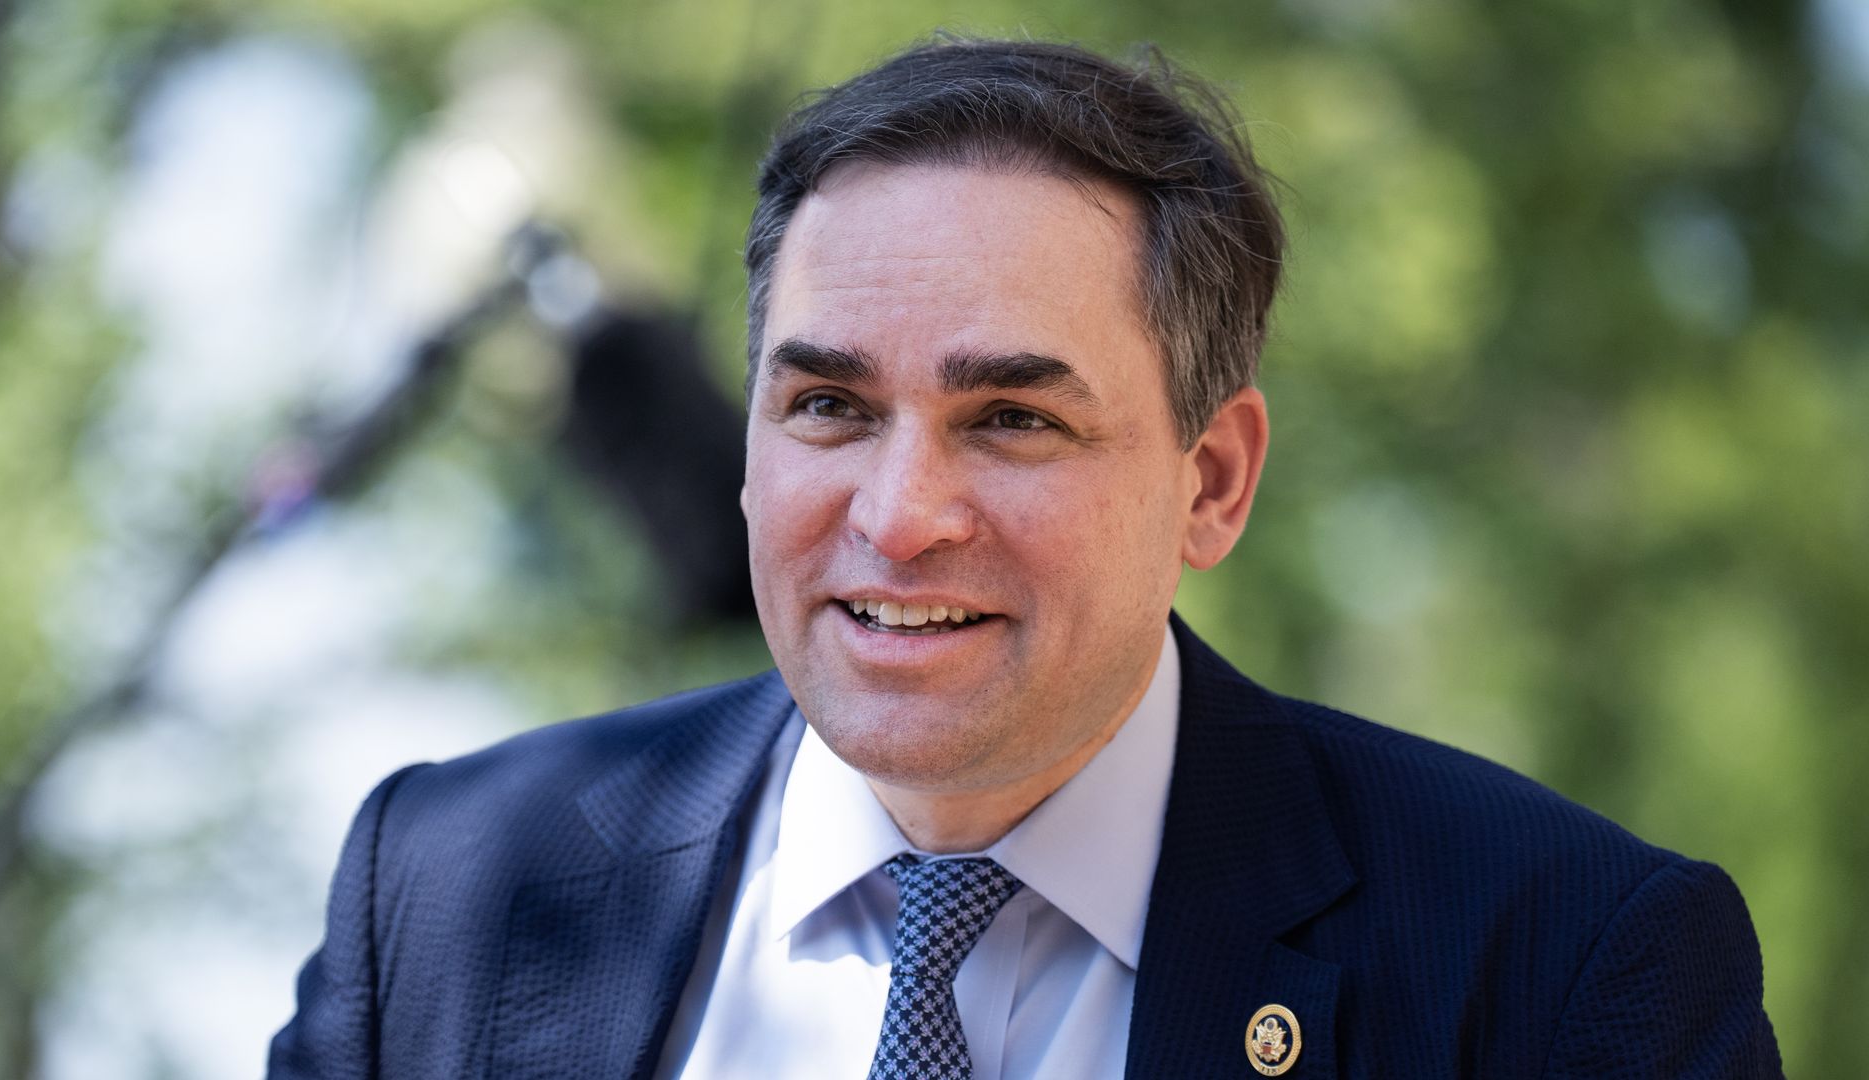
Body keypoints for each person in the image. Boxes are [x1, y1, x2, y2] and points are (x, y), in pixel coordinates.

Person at [268, 37, 1781, 1079]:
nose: (900, 510)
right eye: (829, 406)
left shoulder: (1564, 971)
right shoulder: (452, 895)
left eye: (1009, 418)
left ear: (1213, 481)